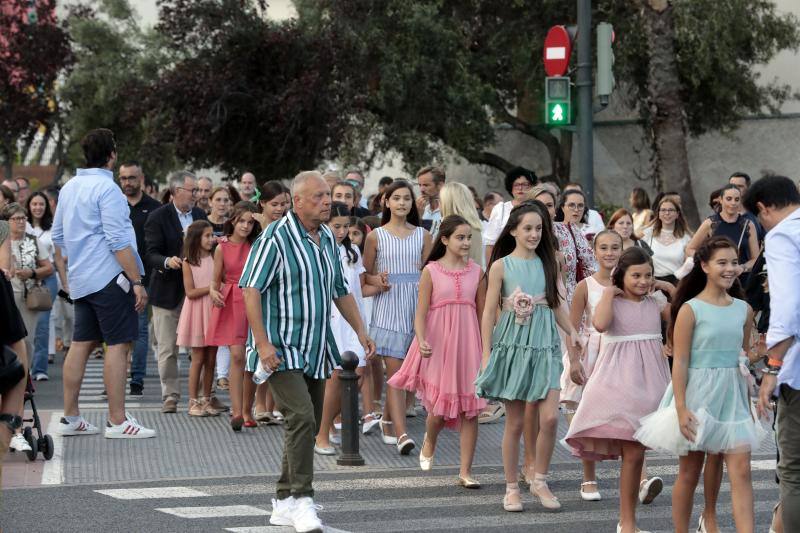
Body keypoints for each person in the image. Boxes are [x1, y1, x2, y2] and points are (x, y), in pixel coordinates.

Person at [240, 170, 374, 533]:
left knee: (307, 421)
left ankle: (283, 500)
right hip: (281, 347)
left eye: (328, 195)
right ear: (297, 202)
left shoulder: (328, 238)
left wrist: (360, 330)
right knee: (301, 418)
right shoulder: (275, 238)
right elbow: (250, 289)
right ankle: (302, 499)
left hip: (316, 345)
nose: (327, 201)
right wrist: (263, 343)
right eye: (318, 196)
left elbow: (338, 289)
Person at [636, 236, 765, 533]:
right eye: (722, 262)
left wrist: (762, 356)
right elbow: (679, 362)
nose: (730, 268)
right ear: (704, 266)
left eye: (734, 262)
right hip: (697, 394)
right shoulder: (690, 309)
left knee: (740, 470)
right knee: (690, 471)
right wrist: (681, 408)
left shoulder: (743, 310)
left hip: (732, 395)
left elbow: (742, 355)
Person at [475, 201, 582, 512]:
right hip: (513, 346)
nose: (534, 234)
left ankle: (540, 480)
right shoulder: (500, 266)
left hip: (545, 346)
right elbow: (487, 312)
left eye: (539, 228)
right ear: (513, 231)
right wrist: (486, 353)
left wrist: (572, 331)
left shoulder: (549, 263)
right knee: (516, 423)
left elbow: (556, 303)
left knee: (549, 418)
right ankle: (511, 488)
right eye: (528, 228)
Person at [52, 128, 154, 439]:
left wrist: (79, 259)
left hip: (82, 278)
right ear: (111, 155)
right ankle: (117, 420)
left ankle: (71, 417)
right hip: (110, 278)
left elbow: (58, 236)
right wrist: (136, 280)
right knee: (119, 344)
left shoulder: (69, 187)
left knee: (81, 344)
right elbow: (118, 241)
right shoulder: (108, 190)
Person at [565, 248, 673, 533]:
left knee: (636, 455)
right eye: (635, 275)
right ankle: (627, 523)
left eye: (647, 275)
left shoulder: (655, 301)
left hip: (651, 386)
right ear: (621, 276)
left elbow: (679, 314)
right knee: (633, 453)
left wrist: (668, 286)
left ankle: (629, 522)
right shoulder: (611, 301)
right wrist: (611, 293)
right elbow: (600, 324)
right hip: (618, 384)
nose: (642, 281)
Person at [389, 215, 488, 486]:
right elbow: (420, 313)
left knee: (471, 408)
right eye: (460, 237)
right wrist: (421, 340)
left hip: (469, 344)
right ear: (444, 239)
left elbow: (483, 314)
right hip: (438, 344)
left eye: (469, 237)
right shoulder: (430, 271)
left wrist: (486, 349)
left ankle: (466, 472)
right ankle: (430, 438)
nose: (466, 242)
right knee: (438, 411)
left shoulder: (477, 272)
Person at [745, 175, 800, 533]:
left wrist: (772, 367)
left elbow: (789, 307)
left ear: (763, 208)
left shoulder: (782, 234)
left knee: (793, 471)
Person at [364, 180, 432, 454]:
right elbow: (363, 275)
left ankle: (389, 420)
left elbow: (430, 273)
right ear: (387, 202)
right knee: (396, 374)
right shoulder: (375, 236)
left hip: (415, 307)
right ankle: (403, 434)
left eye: (407, 198)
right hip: (388, 307)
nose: (402, 203)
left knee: (412, 373)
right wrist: (377, 279)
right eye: (397, 198)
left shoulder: (423, 235)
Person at [560, 230, 623, 501]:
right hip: (593, 353)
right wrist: (574, 361)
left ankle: (640, 477)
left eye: (615, 247)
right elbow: (573, 328)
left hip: (621, 353)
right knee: (587, 418)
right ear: (594, 252)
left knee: (627, 415)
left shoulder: (629, 283)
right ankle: (588, 478)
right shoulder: (586, 285)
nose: (609, 253)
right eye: (604, 248)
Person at [314, 203, 381, 454]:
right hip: (332, 319)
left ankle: (329, 423)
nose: (341, 232)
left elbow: (358, 286)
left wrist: (379, 281)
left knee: (359, 373)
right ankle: (322, 433)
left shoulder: (352, 250)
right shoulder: (319, 250)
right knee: (335, 378)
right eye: (336, 226)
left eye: (345, 227)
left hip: (353, 321)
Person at [144, 170, 208, 413]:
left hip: (197, 291)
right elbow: (150, 253)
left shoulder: (201, 215)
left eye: (198, 191)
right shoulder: (158, 217)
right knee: (168, 347)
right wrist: (166, 261)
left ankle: (201, 394)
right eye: (193, 191)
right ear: (176, 191)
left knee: (199, 347)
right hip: (167, 290)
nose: (197, 196)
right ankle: (170, 395)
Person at [206, 201, 259, 431]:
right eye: (242, 221)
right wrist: (212, 291)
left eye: (250, 222)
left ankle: (248, 409)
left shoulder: (257, 245)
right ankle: (236, 411)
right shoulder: (222, 247)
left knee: (252, 358)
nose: (246, 226)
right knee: (237, 355)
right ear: (233, 221)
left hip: (255, 299)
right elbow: (215, 279)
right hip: (232, 301)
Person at [119, 161, 160, 396]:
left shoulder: (154, 208)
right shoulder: (114, 206)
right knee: (117, 330)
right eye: (123, 178)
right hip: (117, 276)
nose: (127, 183)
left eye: (132, 178)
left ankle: (137, 378)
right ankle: (116, 376)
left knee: (140, 329)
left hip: (147, 276)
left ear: (141, 178)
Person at [251, 181, 290, 422]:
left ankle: (276, 404)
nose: (280, 209)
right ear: (263, 203)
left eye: (284, 204)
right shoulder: (257, 227)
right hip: (261, 294)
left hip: (283, 296)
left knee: (282, 353)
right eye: (274, 204)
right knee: (263, 351)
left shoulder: (289, 228)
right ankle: (259, 403)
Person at [177, 220, 220, 418]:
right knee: (198, 358)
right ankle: (193, 400)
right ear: (196, 238)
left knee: (212, 359)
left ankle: (207, 398)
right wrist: (211, 288)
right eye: (207, 236)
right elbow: (190, 292)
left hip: (214, 311)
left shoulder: (216, 256)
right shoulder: (188, 261)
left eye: (212, 235)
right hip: (197, 312)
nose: (211, 239)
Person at [686, 184, 759, 282]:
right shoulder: (710, 223)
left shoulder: (748, 225)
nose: (733, 203)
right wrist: (707, 261)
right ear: (721, 200)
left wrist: (742, 267)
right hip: (716, 279)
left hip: (741, 280)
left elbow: (756, 259)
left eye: (737, 199)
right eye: (729, 199)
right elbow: (690, 249)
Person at [26, 192, 59, 381]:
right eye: (34, 204)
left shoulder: (53, 229)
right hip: (27, 279)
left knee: (43, 324)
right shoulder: (24, 226)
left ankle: (40, 368)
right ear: (29, 206)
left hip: (48, 279)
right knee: (28, 324)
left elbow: (60, 258)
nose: (38, 207)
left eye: (41, 204)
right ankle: (26, 366)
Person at [483, 167, 537, 262]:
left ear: (531, 187)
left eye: (525, 185)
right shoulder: (501, 209)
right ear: (510, 187)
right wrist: (490, 272)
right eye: (516, 185)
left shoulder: (537, 209)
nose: (520, 188)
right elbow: (490, 244)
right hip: (505, 263)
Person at [640, 197, 692, 284]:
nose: (667, 213)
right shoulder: (649, 234)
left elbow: (689, 262)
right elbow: (632, 239)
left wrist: (677, 277)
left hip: (677, 284)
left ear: (677, 214)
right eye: (663, 210)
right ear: (659, 214)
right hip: (652, 284)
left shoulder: (686, 238)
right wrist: (650, 225)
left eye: (671, 210)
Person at [439, 182, 484, 267]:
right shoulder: (474, 227)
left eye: (441, 200)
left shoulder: (464, 229)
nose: (439, 205)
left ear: (448, 203)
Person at [729, 171, 765, 242]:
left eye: (740, 186)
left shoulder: (757, 212)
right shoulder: (720, 214)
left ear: (748, 188)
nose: (735, 189)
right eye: (732, 186)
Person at [416, 166, 446, 234]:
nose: (421, 190)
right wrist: (417, 217)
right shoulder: (422, 210)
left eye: (426, 185)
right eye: (420, 185)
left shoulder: (449, 211)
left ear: (440, 185)